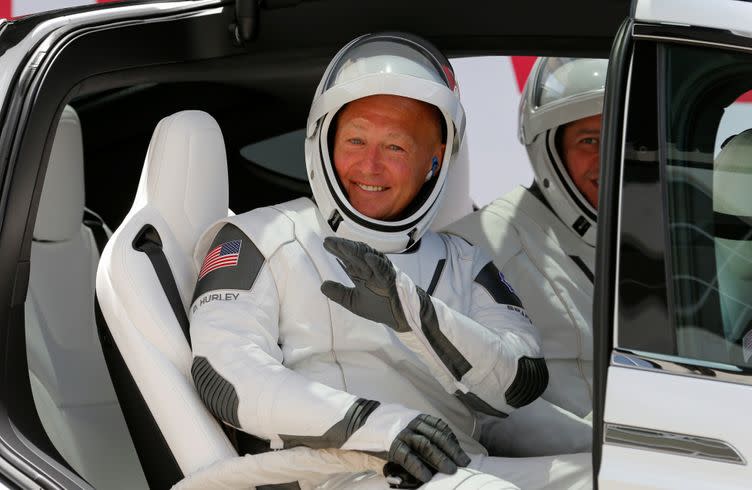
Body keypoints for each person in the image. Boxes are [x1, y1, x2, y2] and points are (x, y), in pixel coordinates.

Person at [189, 34, 590, 489]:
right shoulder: (262, 237)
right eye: (356, 140)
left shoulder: (463, 259)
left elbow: (520, 380)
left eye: (396, 147)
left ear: (434, 162)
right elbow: (226, 373)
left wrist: (417, 316)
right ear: (324, 138)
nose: (371, 166)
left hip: (456, 468)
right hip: (332, 473)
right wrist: (376, 425)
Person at [446, 57, 607, 456]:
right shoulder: (477, 246)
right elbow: (476, 408)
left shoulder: (648, 239)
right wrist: (610, 455)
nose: (609, 157)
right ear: (549, 148)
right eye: (589, 140)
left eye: (621, 139)